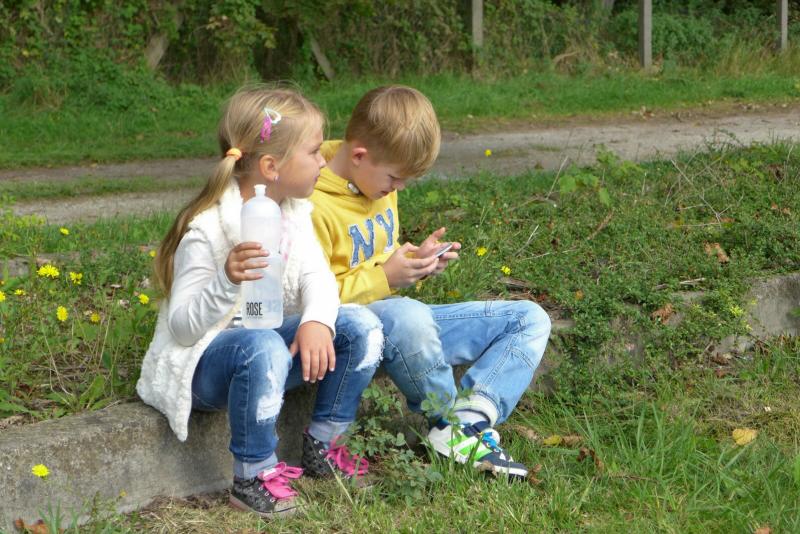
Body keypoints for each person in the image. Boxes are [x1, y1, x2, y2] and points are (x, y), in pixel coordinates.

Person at [136, 86, 382, 519]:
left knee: (361, 326)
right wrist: (226, 280)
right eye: (314, 152)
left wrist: (317, 322)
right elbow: (182, 329)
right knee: (263, 343)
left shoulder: (292, 215)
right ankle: (252, 474)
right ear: (271, 167)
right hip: (204, 368)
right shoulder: (207, 231)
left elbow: (318, 277)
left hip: (266, 354)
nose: (324, 161)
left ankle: (325, 446)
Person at [310, 85, 551, 479]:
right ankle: (447, 422)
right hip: (347, 335)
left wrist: (414, 264)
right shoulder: (312, 202)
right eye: (395, 178)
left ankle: (470, 418)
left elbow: (374, 260)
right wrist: (384, 278)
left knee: (529, 318)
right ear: (359, 156)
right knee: (408, 315)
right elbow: (310, 298)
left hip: (400, 325)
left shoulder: (373, 178)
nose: (399, 189)